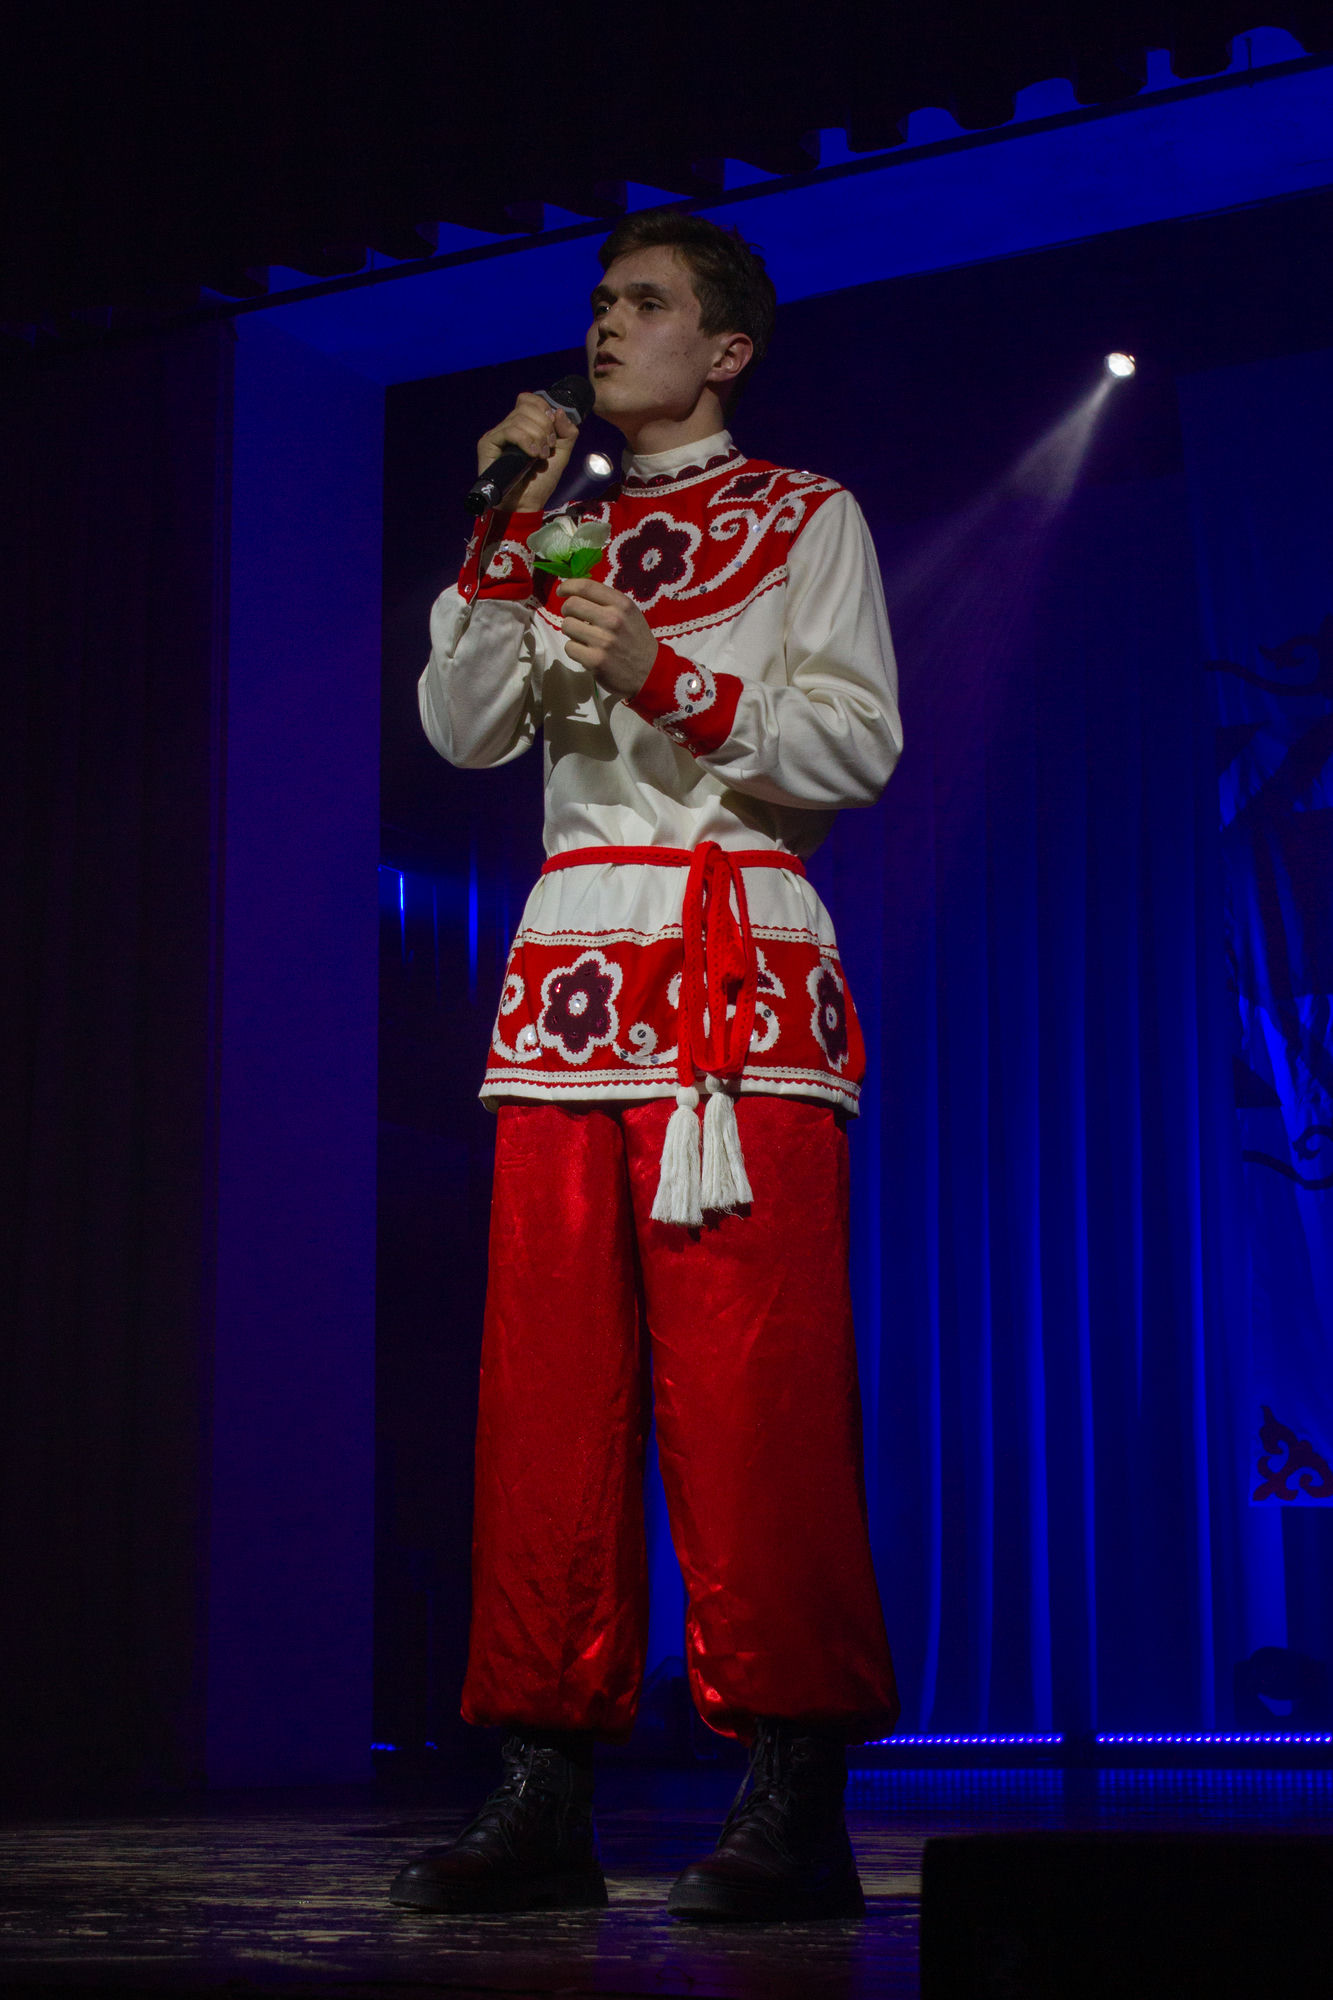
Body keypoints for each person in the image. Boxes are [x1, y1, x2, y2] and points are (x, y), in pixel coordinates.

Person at [389, 211, 902, 1924]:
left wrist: (661, 671)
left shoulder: (806, 514)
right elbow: (461, 728)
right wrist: (498, 533)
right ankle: (540, 1782)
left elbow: (855, 744)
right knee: (545, 1397)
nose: (605, 326)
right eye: (599, 302)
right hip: (568, 986)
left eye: (644, 303)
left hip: (730, 974)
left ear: (725, 349)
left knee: (754, 1395)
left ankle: (794, 1789)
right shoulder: (559, 531)